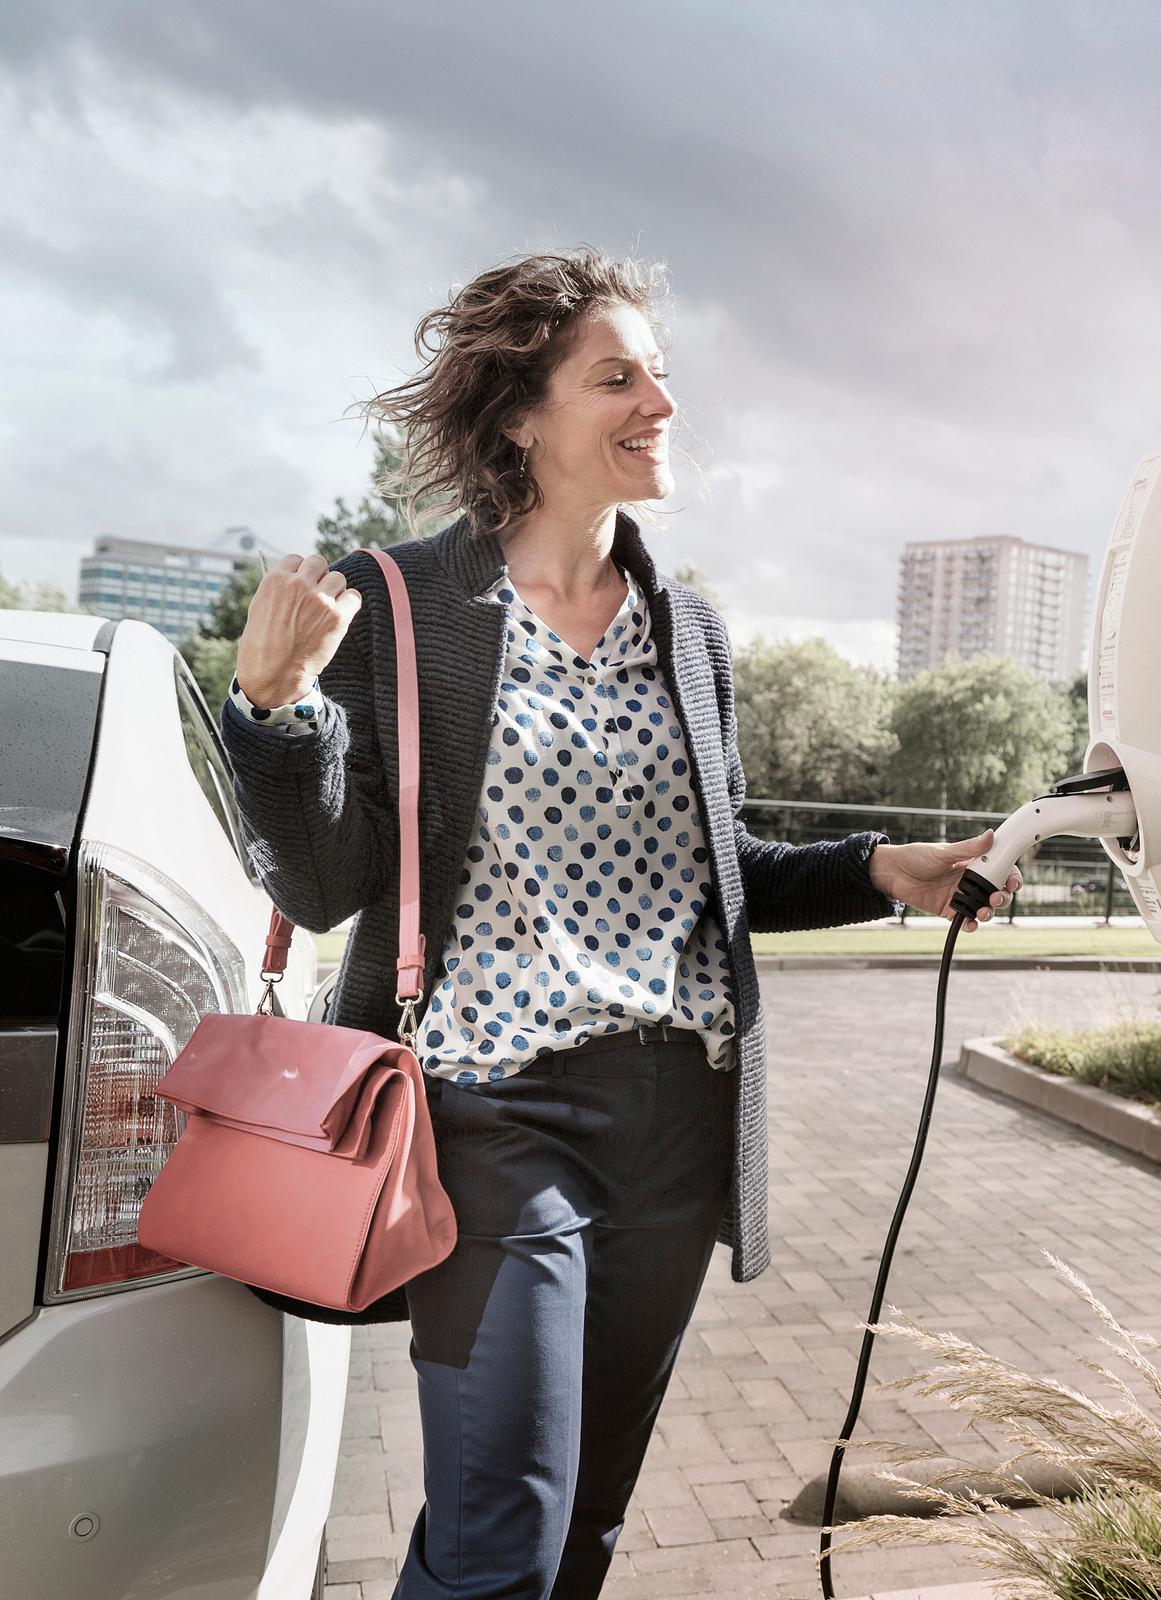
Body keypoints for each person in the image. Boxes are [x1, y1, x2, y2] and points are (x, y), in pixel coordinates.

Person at [220, 248, 1018, 1600]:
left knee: (585, 1528)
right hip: (495, 1120)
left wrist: (886, 868)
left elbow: (716, 874)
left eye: (660, 373)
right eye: (618, 377)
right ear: (523, 420)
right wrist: (275, 708)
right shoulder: (404, 608)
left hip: (676, 1123)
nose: (662, 402)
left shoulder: (685, 629)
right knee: (499, 1544)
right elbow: (321, 884)